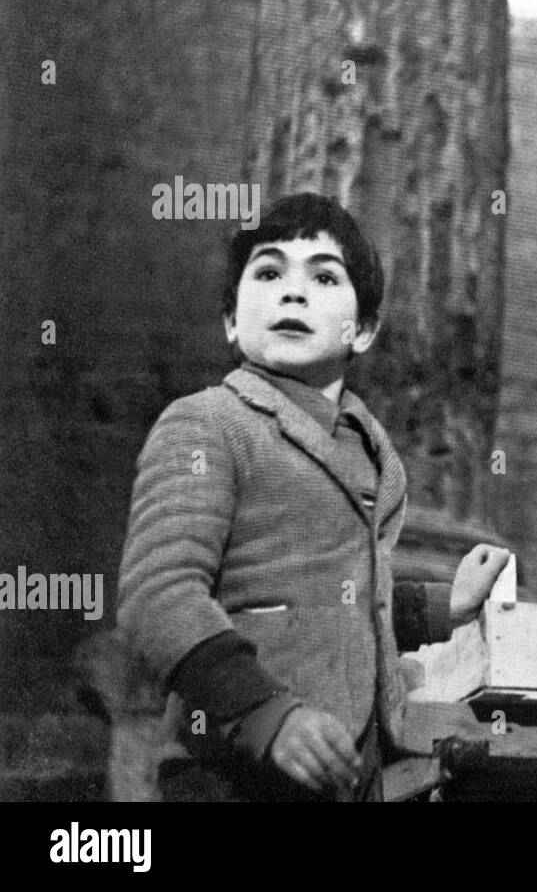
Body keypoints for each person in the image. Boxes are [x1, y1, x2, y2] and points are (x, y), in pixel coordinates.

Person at [117, 192, 509, 801]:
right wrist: (270, 716)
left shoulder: (367, 451)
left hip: (352, 779)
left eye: (324, 277)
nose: (292, 292)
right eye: (268, 273)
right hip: (230, 779)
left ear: (366, 329)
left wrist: (442, 606)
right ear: (230, 320)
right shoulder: (206, 425)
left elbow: (335, 605)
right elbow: (158, 599)